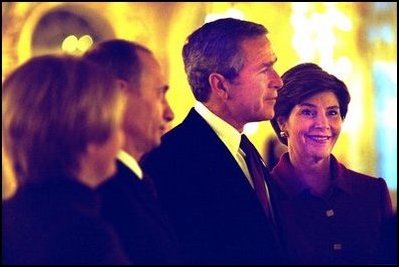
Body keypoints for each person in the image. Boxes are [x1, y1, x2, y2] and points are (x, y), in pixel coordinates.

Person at [141, 18, 284, 264]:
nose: (277, 80)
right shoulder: (169, 161)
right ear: (220, 85)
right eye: (264, 69)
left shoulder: (246, 151)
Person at [2, 55, 129, 265]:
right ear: (90, 134)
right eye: (116, 123)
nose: (120, 138)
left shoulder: (9, 218)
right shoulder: (85, 237)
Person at [269, 62, 394, 264]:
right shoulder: (264, 196)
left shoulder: (372, 191)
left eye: (332, 112)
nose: (323, 124)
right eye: (308, 112)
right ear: (282, 122)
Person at [83, 39, 181, 265]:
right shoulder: (102, 194)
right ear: (119, 95)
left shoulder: (141, 179)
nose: (170, 113)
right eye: (160, 94)